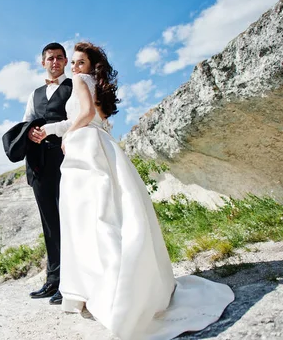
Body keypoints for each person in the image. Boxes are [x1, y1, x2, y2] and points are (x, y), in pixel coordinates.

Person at [54, 41, 234, 340]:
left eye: (80, 62)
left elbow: (83, 114)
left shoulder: (79, 82)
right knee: (112, 213)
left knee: (92, 217)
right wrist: (55, 129)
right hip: (100, 146)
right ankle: (118, 284)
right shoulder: (95, 85)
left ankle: (103, 288)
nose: (74, 67)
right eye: (72, 63)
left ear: (90, 67)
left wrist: (68, 136)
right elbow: (97, 119)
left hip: (85, 149)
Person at [22, 42, 72, 305]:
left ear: (66, 61)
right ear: (43, 62)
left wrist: (53, 131)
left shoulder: (74, 88)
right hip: (39, 162)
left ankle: (71, 283)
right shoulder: (35, 93)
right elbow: (27, 121)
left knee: (69, 220)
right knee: (49, 224)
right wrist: (30, 132)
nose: (55, 62)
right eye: (50, 58)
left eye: (59, 58)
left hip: (67, 159)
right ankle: (53, 280)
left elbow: (79, 121)